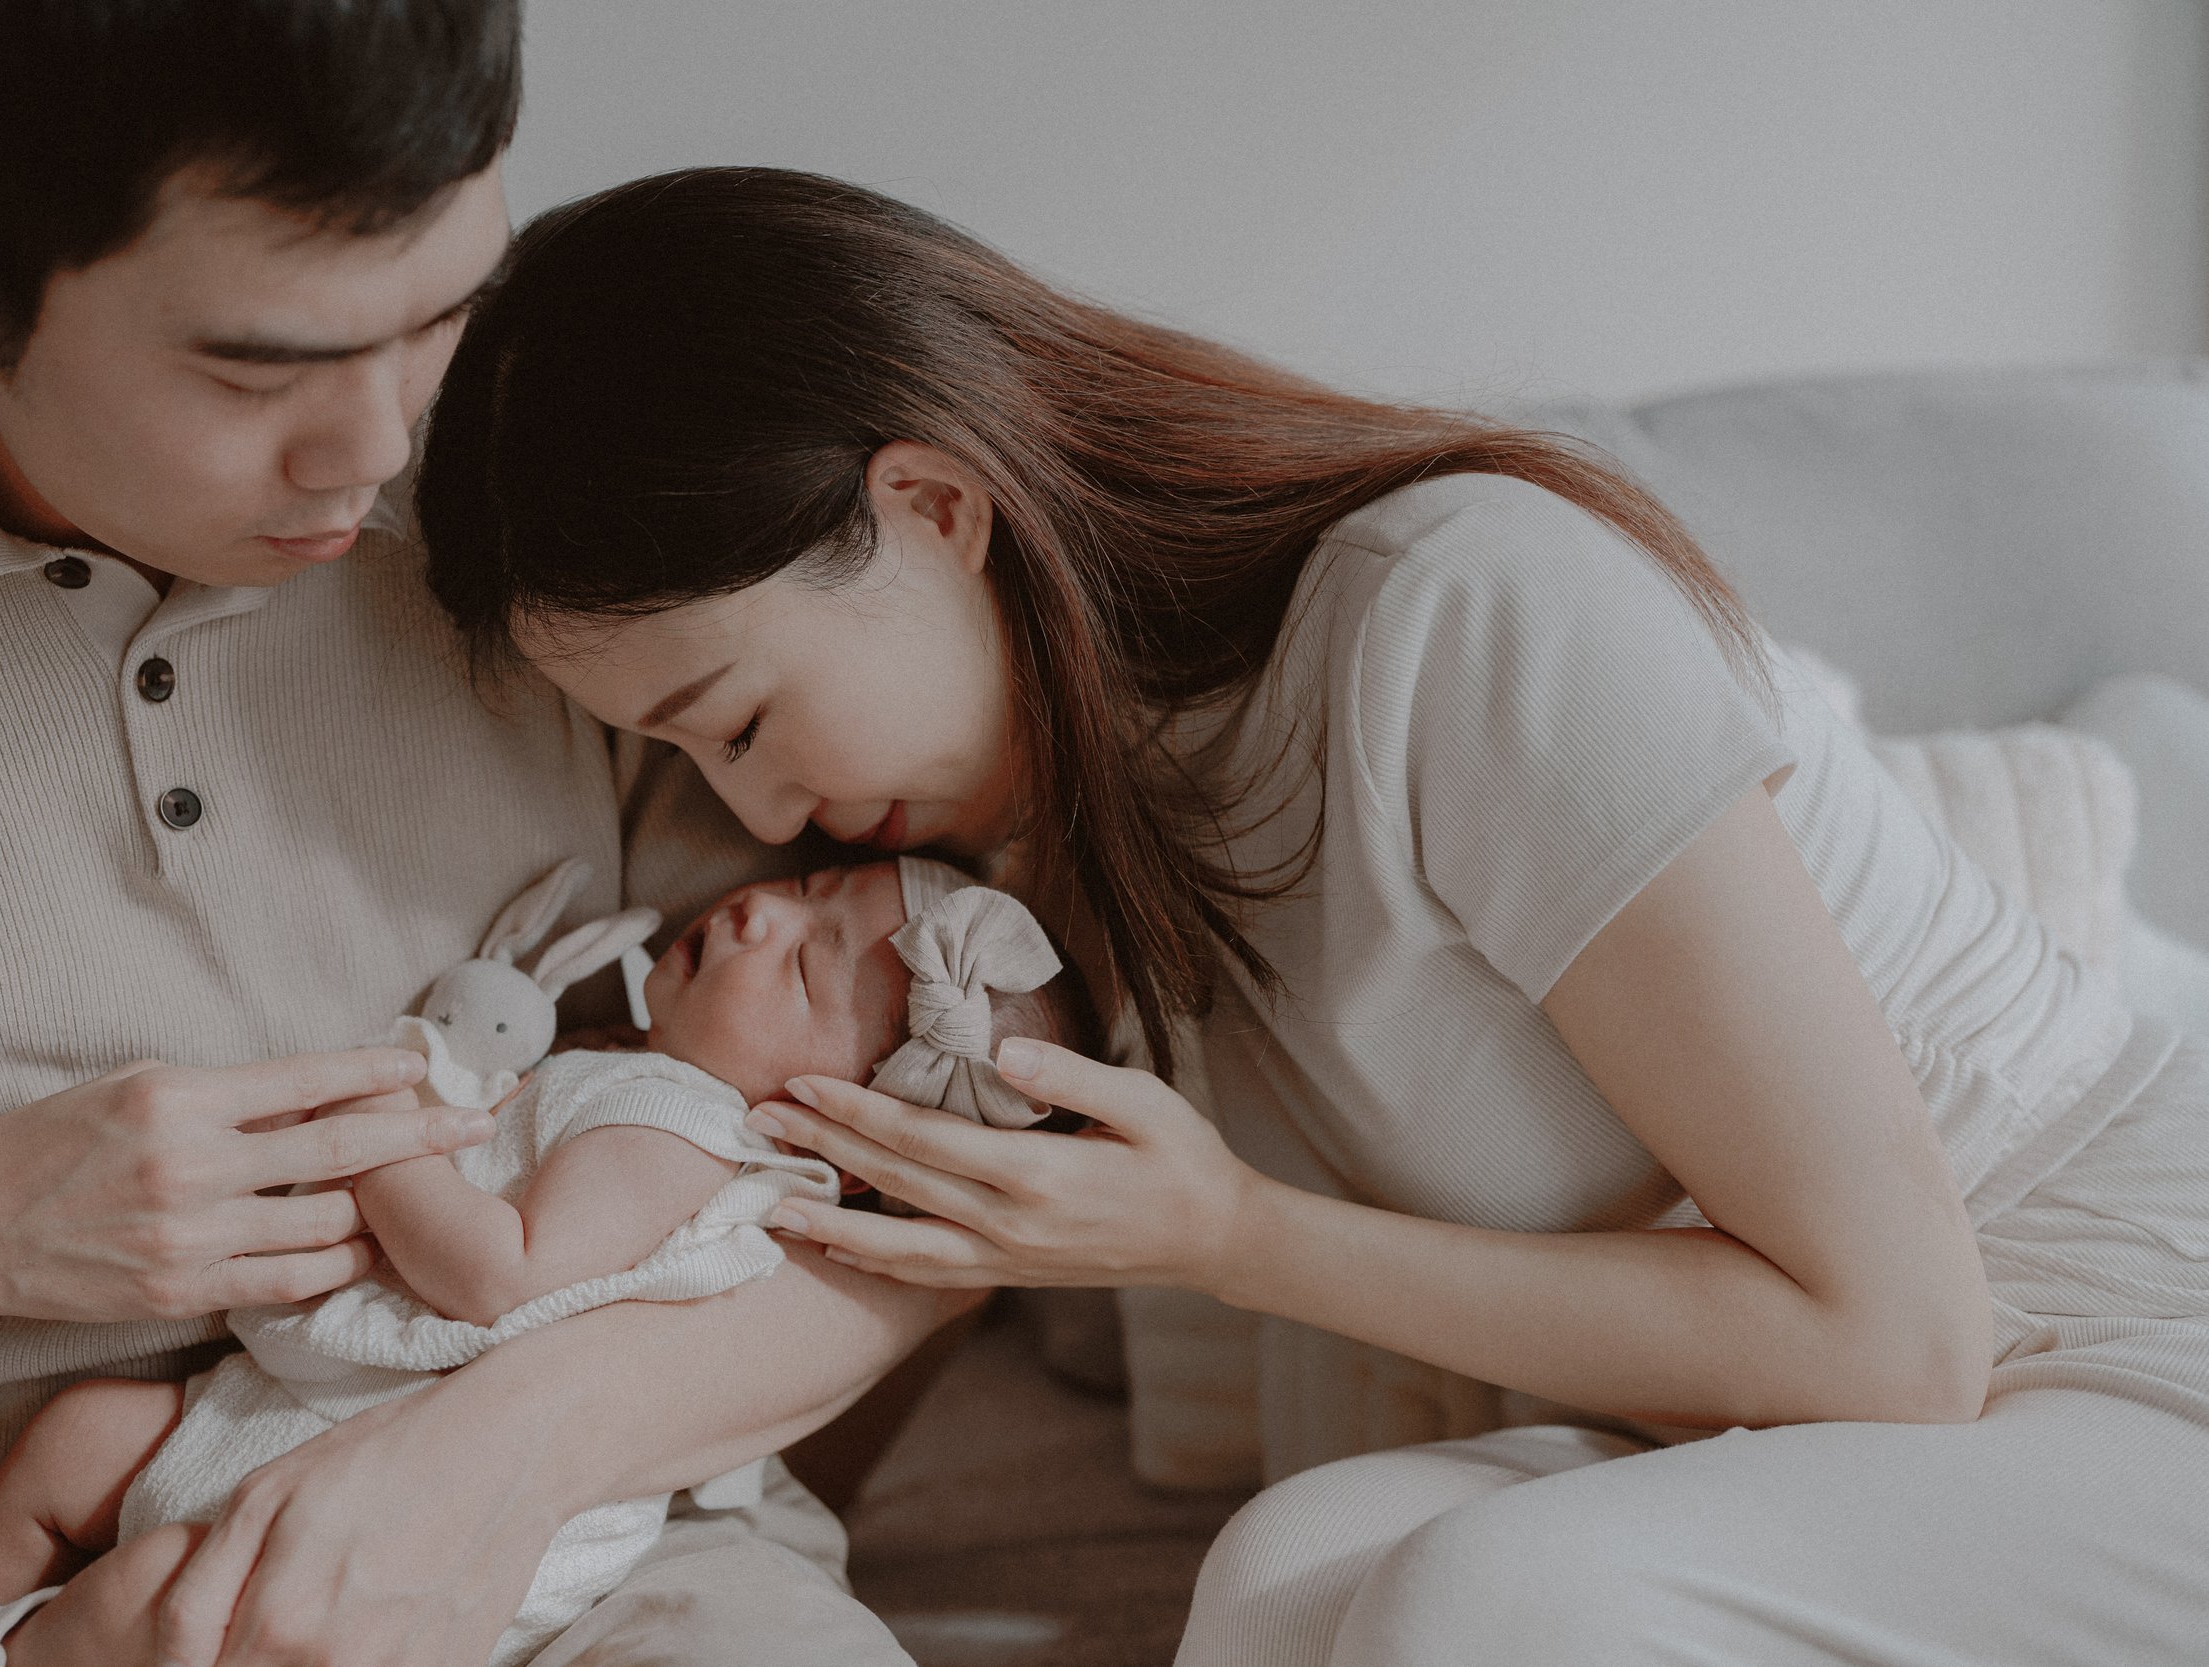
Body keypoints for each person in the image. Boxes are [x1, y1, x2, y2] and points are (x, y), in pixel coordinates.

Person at [413, 164, 2209, 1665]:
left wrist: (1227, 1235)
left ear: (933, 506)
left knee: (1495, 1601)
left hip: (2112, 1311)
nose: (754, 817)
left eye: (736, 719)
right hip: (1784, 1413)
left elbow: (1893, 1343)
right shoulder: (1024, 858)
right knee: (1292, 1573)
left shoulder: (1456, 618)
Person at [0, 15, 959, 1665]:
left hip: (599, 1562)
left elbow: (952, 1151)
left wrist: (515, 1452)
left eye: (438, 316)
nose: (376, 457)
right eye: (255, 369)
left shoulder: (526, 490)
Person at [0, 859, 1092, 1665]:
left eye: (802, 970)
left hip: (382, 1471)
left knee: (147, 1609)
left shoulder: (679, 1129)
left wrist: (381, 1145)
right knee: (78, 1438)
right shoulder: (628, 1075)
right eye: (796, 891)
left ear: (834, 1123)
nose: (753, 917)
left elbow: (499, 1271)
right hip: (291, 1418)